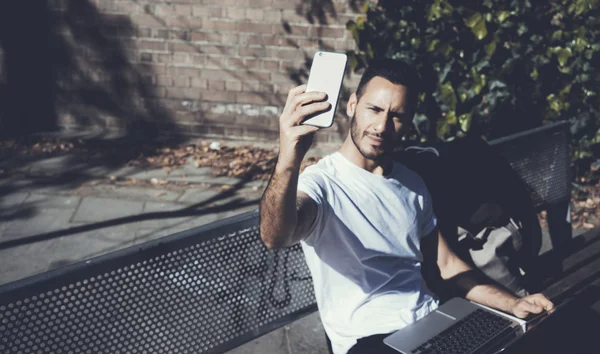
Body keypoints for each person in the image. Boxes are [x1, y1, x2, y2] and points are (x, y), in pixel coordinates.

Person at [259, 58, 554, 354]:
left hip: (430, 322)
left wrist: (513, 303)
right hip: (367, 339)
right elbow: (275, 236)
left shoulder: (412, 183)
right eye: (374, 109)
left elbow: (447, 265)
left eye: (396, 116)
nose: (382, 126)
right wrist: (288, 160)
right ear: (352, 106)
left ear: (408, 123)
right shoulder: (322, 183)